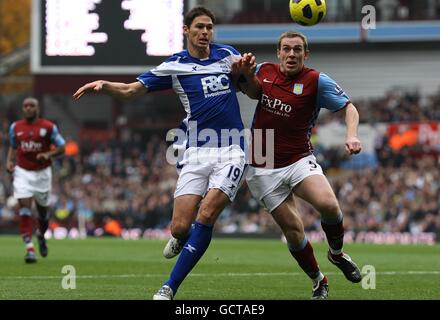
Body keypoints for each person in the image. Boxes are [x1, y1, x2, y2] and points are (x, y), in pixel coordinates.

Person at [73, 6, 256, 300]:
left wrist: (246, 74)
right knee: (180, 226)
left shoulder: (228, 56)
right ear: (186, 30)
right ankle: (181, 237)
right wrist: (105, 85)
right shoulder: (174, 65)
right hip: (196, 151)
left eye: (209, 27)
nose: (205, 32)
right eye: (199, 27)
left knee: (207, 214)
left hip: (233, 147)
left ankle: (169, 287)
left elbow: (253, 91)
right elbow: (132, 90)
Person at [239, 31, 363, 299]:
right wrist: (247, 75)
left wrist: (351, 134)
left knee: (329, 205)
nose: (291, 54)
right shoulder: (264, 70)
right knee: (294, 232)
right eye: (286, 49)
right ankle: (319, 279)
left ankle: (337, 254)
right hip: (261, 165)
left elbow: (349, 108)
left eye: (297, 50)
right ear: (278, 52)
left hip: (298, 159)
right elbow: (251, 92)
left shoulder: (316, 81)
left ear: (306, 55)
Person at [6, 97, 66, 263]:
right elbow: (13, 146)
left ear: (38, 109)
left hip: (42, 173)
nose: (28, 108)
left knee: (43, 215)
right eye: (26, 106)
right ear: (23, 109)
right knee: (24, 207)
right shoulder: (15, 127)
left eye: (32, 106)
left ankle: (40, 235)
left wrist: (47, 154)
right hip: (22, 172)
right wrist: (9, 162)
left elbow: (62, 147)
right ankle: (29, 249)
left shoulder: (48, 127)